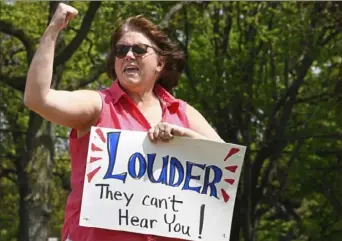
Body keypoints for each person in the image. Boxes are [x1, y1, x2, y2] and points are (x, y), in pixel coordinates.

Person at [24, 3, 224, 241]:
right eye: (121, 50)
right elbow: (38, 99)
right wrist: (53, 30)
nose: (129, 55)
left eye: (139, 49)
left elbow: (226, 163)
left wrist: (183, 137)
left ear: (160, 63)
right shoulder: (99, 106)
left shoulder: (182, 113)